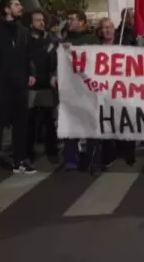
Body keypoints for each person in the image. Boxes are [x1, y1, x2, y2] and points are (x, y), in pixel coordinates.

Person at [0, 0, 37, 183]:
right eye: (16, 4)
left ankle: (19, 160)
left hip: (19, 85)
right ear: (6, 9)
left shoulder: (23, 31)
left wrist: (31, 73)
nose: (21, 7)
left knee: (21, 125)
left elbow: (29, 55)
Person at [53, 10, 100, 171]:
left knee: (90, 124)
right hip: (70, 88)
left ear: (81, 22)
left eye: (72, 19)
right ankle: (70, 158)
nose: (68, 21)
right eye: (68, 18)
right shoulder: (65, 39)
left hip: (87, 89)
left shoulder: (92, 39)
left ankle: (91, 158)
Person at [98, 17, 136, 167]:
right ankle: (109, 154)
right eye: (104, 28)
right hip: (104, 90)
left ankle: (128, 152)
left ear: (114, 30)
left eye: (110, 27)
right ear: (100, 31)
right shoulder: (95, 47)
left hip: (122, 89)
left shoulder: (124, 44)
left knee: (125, 120)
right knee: (107, 121)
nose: (107, 30)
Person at [25, 10, 58, 162]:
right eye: (37, 20)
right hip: (30, 87)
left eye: (42, 20)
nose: (41, 23)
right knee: (29, 121)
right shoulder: (24, 39)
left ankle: (52, 151)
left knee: (49, 121)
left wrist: (54, 75)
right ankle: (28, 152)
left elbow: (57, 59)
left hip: (46, 87)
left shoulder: (51, 39)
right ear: (30, 23)